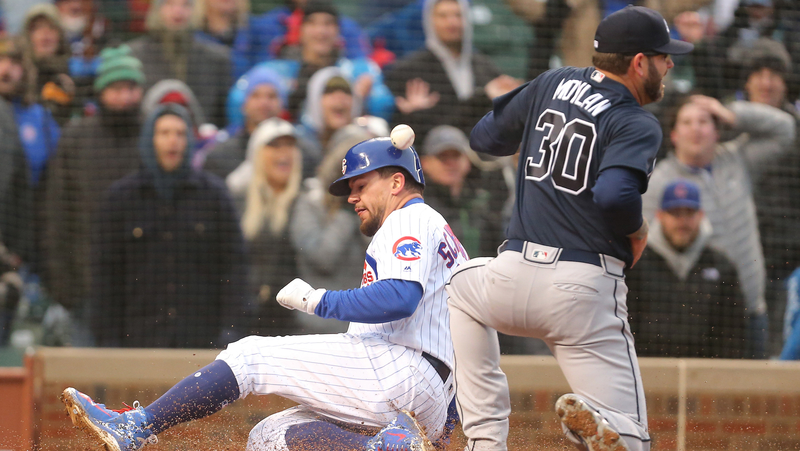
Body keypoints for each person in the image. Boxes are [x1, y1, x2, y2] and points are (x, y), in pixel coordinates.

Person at [62, 134, 464, 451]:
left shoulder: (407, 218)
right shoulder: (446, 238)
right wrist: (443, 419)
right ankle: (384, 448)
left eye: (360, 185)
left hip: (399, 373)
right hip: (425, 395)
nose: (353, 197)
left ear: (396, 182)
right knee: (269, 438)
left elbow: (399, 297)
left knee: (249, 356)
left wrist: (318, 300)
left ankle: (138, 426)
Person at [445, 6, 693, 451]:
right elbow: (615, 194)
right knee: (631, 438)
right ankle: (600, 424)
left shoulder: (553, 81)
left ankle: (484, 440)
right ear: (639, 62)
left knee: (458, 289)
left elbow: (484, 139)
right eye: (662, 56)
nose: (669, 63)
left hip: (511, 275)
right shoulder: (636, 121)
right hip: (582, 293)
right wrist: (637, 232)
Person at [642, 94, 795, 359]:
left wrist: (731, 113)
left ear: (717, 131)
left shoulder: (736, 160)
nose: (696, 128)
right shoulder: (660, 182)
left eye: (704, 121)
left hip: (752, 311)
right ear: (675, 135)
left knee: (751, 396)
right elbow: (647, 248)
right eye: (687, 122)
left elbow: (784, 129)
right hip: (700, 322)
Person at [90, 103, 245, 348]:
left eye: (180, 133)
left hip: (201, 342)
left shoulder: (215, 196)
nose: (173, 140)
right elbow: (105, 275)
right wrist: (108, 340)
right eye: (164, 133)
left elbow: (235, 267)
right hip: (138, 340)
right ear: (149, 139)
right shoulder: (120, 198)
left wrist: (230, 331)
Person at [42, 44, 145, 346]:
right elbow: (56, 215)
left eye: (130, 88)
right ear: (101, 91)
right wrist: (64, 287)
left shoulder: (153, 137)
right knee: (87, 385)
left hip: (143, 294)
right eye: (115, 88)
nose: (124, 96)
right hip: (87, 290)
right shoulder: (76, 139)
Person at [626, 179, 747, 359]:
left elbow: (735, 334)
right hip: (648, 372)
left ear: (701, 215)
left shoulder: (721, 266)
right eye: (675, 213)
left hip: (706, 376)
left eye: (689, 213)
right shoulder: (637, 265)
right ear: (660, 215)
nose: (682, 222)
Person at [384, 0, 521, 144]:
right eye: (443, 16)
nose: (452, 22)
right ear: (429, 21)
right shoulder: (409, 71)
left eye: (458, 15)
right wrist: (411, 113)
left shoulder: (485, 67)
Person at [289, 124, 373, 334]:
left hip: (364, 324)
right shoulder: (310, 202)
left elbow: (381, 261)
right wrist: (344, 212)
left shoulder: (373, 206)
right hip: (318, 324)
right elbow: (322, 258)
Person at [227, 117, 303, 336]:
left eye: (289, 145)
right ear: (257, 154)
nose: (284, 152)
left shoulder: (306, 202)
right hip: (244, 319)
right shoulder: (237, 200)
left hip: (292, 322)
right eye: (274, 145)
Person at [128, 0, 231, 127]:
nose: (178, 11)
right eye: (169, 4)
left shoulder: (217, 59)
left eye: (186, 4)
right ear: (156, 10)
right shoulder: (133, 57)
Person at [419, 124, 504, 257]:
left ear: (468, 161)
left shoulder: (484, 202)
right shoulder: (419, 206)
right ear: (425, 163)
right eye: (442, 157)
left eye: (456, 156)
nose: (451, 164)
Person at [203, 66, 287, 178]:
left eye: (271, 96)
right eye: (256, 95)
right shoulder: (219, 157)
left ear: (282, 104)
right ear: (243, 104)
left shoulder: (299, 153)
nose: (264, 103)